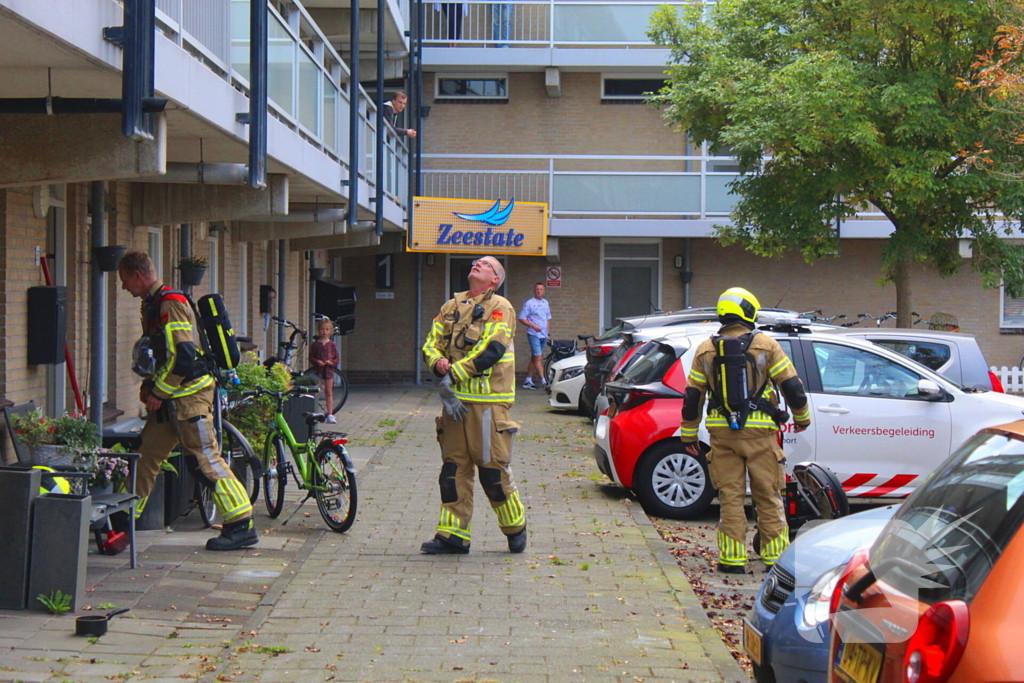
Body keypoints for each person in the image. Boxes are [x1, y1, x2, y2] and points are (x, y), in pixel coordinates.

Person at [118, 251, 257, 551]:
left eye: (125, 279)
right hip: (170, 401)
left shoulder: (170, 303)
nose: (123, 287)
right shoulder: (152, 304)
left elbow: (182, 356)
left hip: (189, 397)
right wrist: (149, 385)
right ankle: (122, 522)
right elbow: (156, 352)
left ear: (138, 275)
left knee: (203, 458)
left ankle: (241, 523)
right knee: (144, 455)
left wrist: (158, 392)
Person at [680, 287, 810, 574]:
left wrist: (688, 435)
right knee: (768, 495)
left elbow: (692, 397)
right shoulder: (766, 345)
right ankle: (775, 559)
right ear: (749, 311)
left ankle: (732, 559)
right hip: (761, 435)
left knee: (730, 497)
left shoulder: (706, 349)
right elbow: (793, 387)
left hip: (722, 435)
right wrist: (803, 418)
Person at [420, 256, 527, 554]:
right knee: (453, 470)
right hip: (454, 405)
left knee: (492, 473)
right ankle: (452, 536)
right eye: (476, 261)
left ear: (495, 279)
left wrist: (452, 373)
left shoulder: (501, 308)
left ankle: (515, 526)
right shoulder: (450, 307)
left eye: (486, 264)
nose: (477, 263)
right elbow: (431, 341)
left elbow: (490, 349)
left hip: (489, 407)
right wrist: (436, 362)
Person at [518, 282, 551, 389]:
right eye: (537, 289)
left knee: (534, 358)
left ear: (544, 291)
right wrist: (533, 326)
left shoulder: (546, 302)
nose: (539, 291)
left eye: (541, 289)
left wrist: (548, 333)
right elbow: (522, 318)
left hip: (543, 335)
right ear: (534, 290)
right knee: (538, 358)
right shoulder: (529, 303)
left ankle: (528, 381)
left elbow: (548, 319)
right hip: (534, 334)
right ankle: (544, 382)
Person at [309, 318, 340, 424]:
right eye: (322, 329)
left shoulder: (332, 344)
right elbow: (311, 358)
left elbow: (337, 358)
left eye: (327, 329)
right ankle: (314, 412)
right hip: (318, 370)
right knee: (316, 391)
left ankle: (330, 413)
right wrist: (317, 361)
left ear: (330, 331)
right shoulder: (315, 344)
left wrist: (331, 362)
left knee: (328, 392)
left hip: (328, 370)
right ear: (318, 330)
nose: (324, 332)